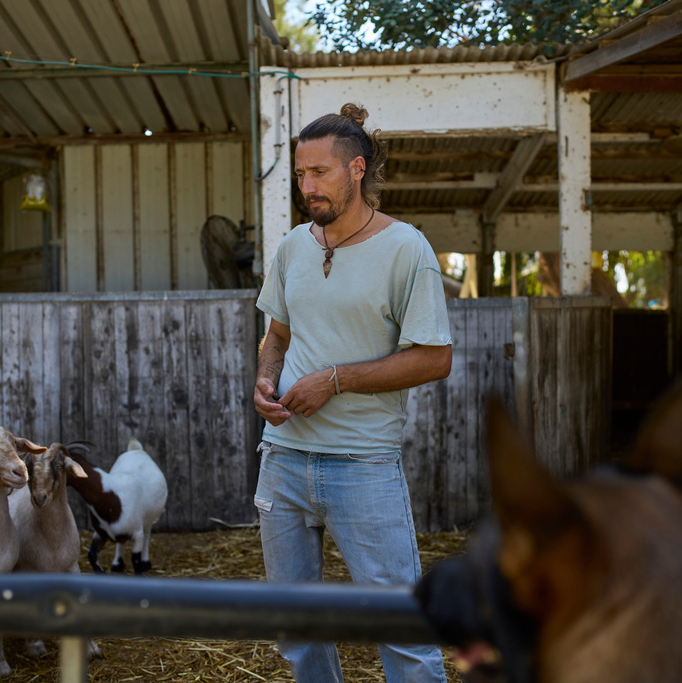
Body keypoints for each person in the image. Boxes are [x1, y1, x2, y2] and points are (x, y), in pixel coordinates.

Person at [253, 102, 453, 683]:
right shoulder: (293, 246)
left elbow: (435, 358)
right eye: (299, 174)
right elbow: (277, 336)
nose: (306, 186)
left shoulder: (407, 249)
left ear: (358, 169)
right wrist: (266, 379)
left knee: (400, 624)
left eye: (320, 173)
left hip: (362, 463)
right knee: (295, 625)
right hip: (282, 460)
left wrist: (336, 379)